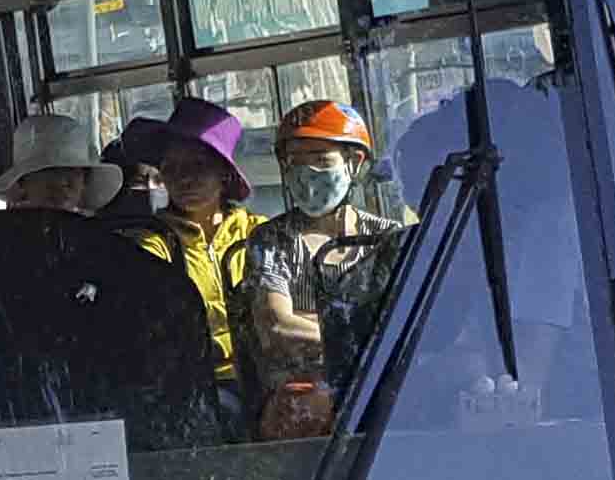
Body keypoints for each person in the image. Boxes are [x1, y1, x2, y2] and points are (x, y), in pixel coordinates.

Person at [246, 100, 409, 425]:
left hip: (376, 385)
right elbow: (278, 325)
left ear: (354, 162)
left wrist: (310, 323)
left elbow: (402, 328)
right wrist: (361, 338)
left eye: (321, 161)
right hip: (298, 393)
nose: (307, 176)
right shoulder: (270, 240)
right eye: (295, 163)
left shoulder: (387, 238)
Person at [118, 97, 260, 428]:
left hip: (263, 376)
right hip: (190, 384)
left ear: (223, 174)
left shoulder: (257, 234)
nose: (184, 179)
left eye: (197, 167)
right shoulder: (152, 241)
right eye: (172, 169)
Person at [2, 108, 123, 216]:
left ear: (84, 181)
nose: (61, 180)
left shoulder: (95, 237)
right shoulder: (2, 236)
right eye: (49, 169)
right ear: (22, 182)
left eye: (73, 169)